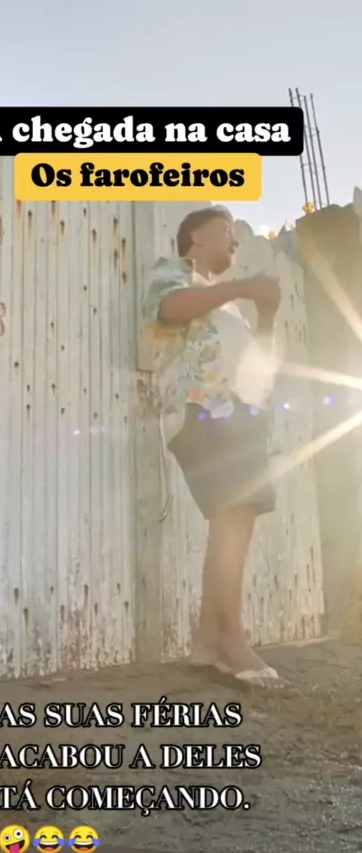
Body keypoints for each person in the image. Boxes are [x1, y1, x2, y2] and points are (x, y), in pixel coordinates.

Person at [143, 206, 289, 690]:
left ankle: (207, 645)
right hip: (203, 411)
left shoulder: (229, 309)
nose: (234, 241)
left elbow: (258, 366)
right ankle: (231, 640)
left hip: (237, 417)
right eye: (225, 231)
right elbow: (170, 309)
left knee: (235, 523)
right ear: (196, 237)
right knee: (234, 516)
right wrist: (244, 288)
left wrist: (266, 316)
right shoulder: (174, 273)